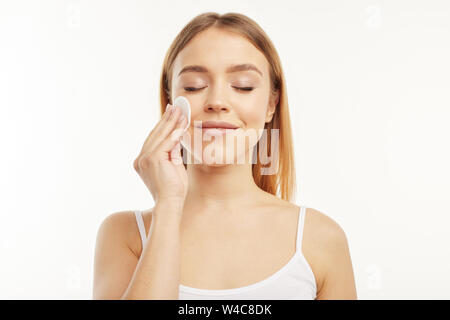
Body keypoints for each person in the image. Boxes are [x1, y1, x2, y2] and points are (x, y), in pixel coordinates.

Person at [93, 12, 357, 300]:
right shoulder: (124, 236)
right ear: (170, 102)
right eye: (194, 86)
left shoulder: (319, 240)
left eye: (243, 85)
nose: (217, 102)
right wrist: (168, 205)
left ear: (271, 104)